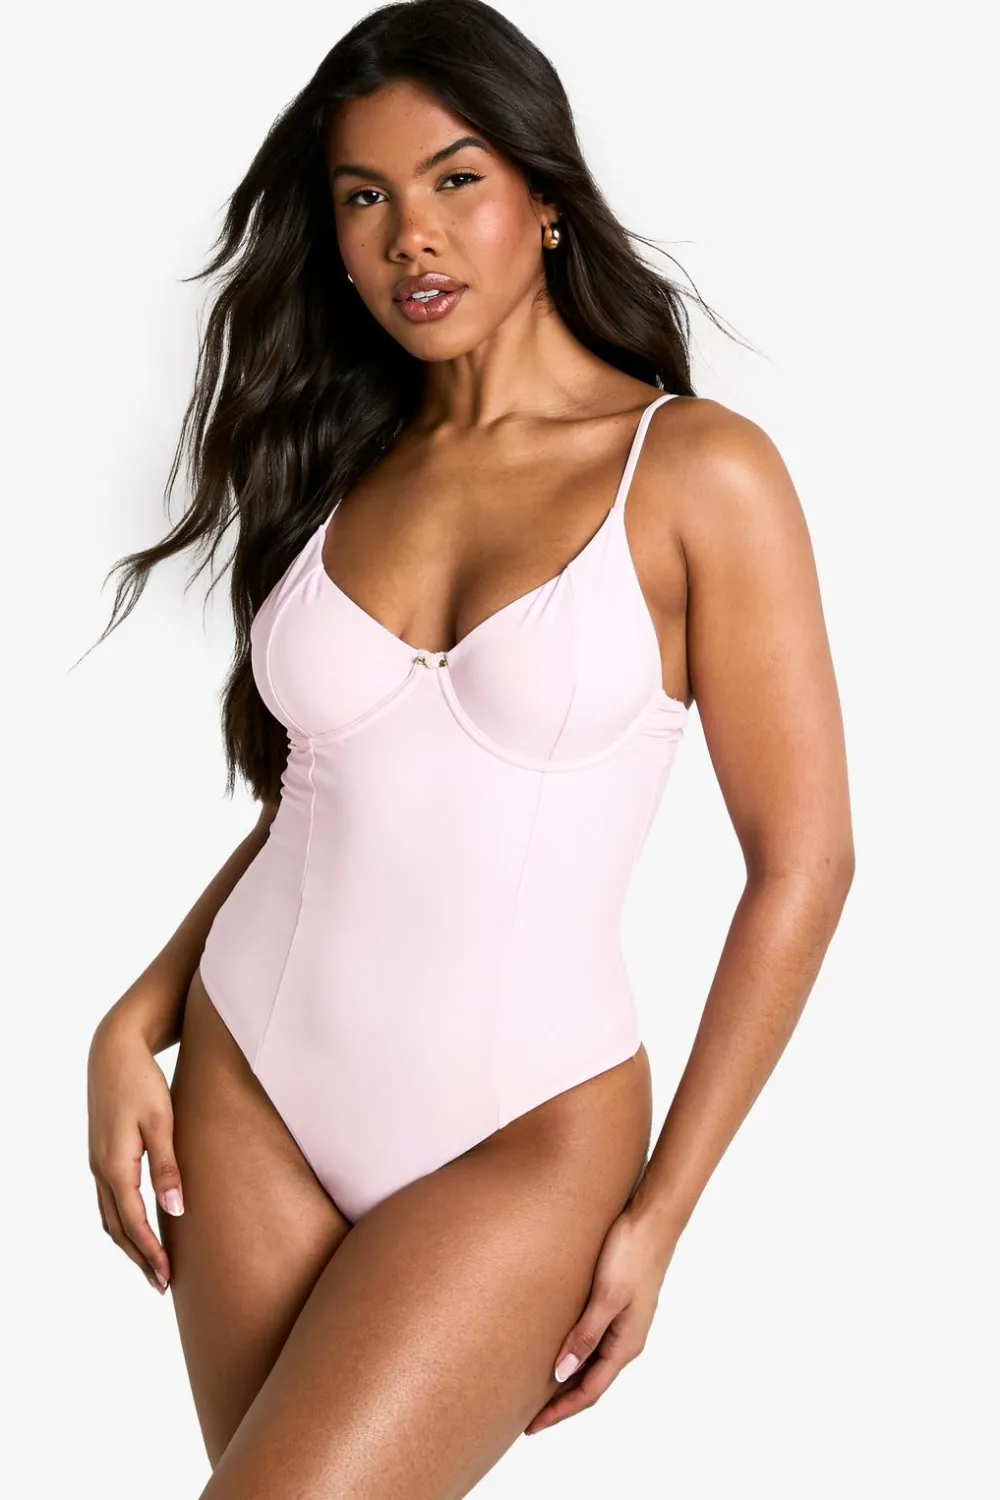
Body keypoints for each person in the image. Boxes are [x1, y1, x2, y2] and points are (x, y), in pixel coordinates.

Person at [84, 1, 854, 1495]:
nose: (410, 238)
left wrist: (665, 1210)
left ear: (546, 197)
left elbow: (805, 863)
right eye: (364, 197)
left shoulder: (696, 471)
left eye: (455, 180)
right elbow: (320, 804)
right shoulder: (341, 464)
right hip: (249, 1086)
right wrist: (135, 1018)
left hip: (526, 1132)